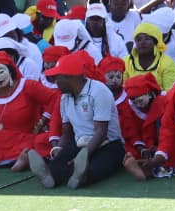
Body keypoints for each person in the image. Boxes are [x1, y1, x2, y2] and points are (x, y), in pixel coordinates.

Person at [26, 51, 125, 189]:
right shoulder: (64, 98)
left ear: (70, 78)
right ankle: (52, 174)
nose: (55, 82)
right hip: (80, 143)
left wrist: (84, 154)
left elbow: (101, 132)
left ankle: (80, 175)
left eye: (57, 77)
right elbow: (67, 133)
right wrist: (58, 149)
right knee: (60, 161)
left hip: (108, 144)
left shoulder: (99, 91)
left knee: (96, 166)